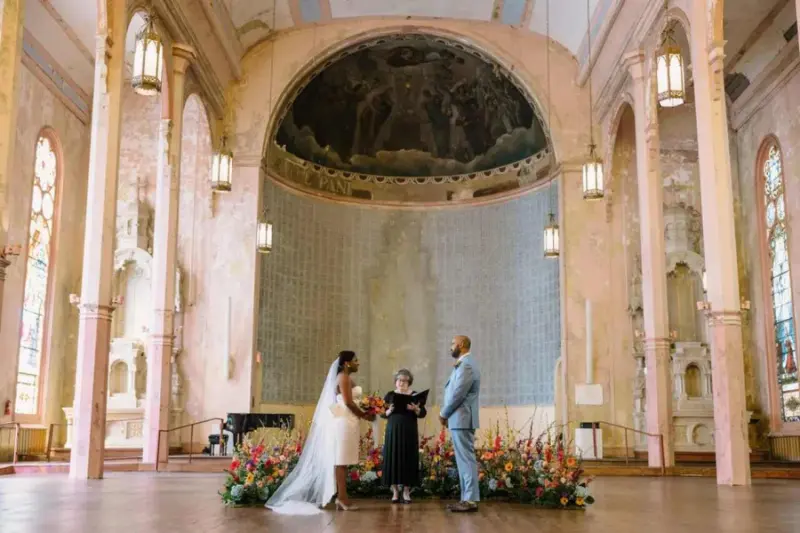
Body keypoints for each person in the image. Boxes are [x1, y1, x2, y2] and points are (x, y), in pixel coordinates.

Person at [266, 350, 375, 515]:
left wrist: (368, 406)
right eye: (355, 360)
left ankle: (342, 497)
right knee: (340, 461)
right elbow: (349, 403)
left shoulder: (345, 378)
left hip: (348, 421)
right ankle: (342, 498)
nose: (358, 363)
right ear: (347, 363)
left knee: (343, 461)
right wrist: (365, 415)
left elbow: (350, 402)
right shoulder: (343, 378)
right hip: (344, 422)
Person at [439, 335, 481, 513]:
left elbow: (458, 394)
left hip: (462, 418)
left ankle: (470, 500)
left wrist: (444, 413)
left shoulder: (467, 365)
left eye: (452, 343)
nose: (450, 347)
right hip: (459, 419)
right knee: (463, 460)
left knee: (466, 459)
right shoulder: (464, 364)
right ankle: (466, 498)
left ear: (462, 345)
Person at [381, 369, 426, 503]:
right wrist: (390, 410)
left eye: (405, 381)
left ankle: (406, 491)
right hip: (393, 429)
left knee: (409, 457)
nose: (402, 383)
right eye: (400, 380)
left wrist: (416, 409)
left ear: (409, 382)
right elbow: (381, 412)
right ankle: (394, 491)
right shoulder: (390, 395)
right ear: (396, 382)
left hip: (409, 430)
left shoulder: (414, 395)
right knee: (393, 456)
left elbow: (423, 413)